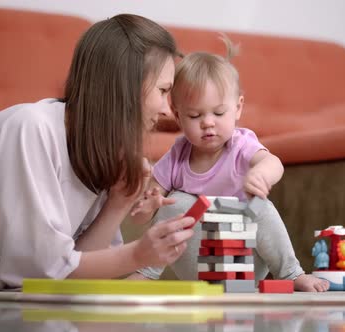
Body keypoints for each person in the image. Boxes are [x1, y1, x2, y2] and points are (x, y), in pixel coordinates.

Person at [0, 14, 196, 294]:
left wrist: (119, 202)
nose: (168, 109)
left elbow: (71, 272)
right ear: (126, 86)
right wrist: (139, 254)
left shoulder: (98, 148)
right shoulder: (31, 128)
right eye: (163, 91)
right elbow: (36, 275)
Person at [128, 37, 329, 292]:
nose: (208, 123)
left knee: (262, 207)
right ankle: (146, 272)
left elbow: (273, 162)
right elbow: (143, 212)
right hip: (197, 264)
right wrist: (149, 205)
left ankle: (291, 272)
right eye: (195, 115)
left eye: (219, 113)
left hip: (243, 262)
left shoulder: (240, 145)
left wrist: (262, 175)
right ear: (178, 116)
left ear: (238, 108)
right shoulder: (178, 154)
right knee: (175, 202)